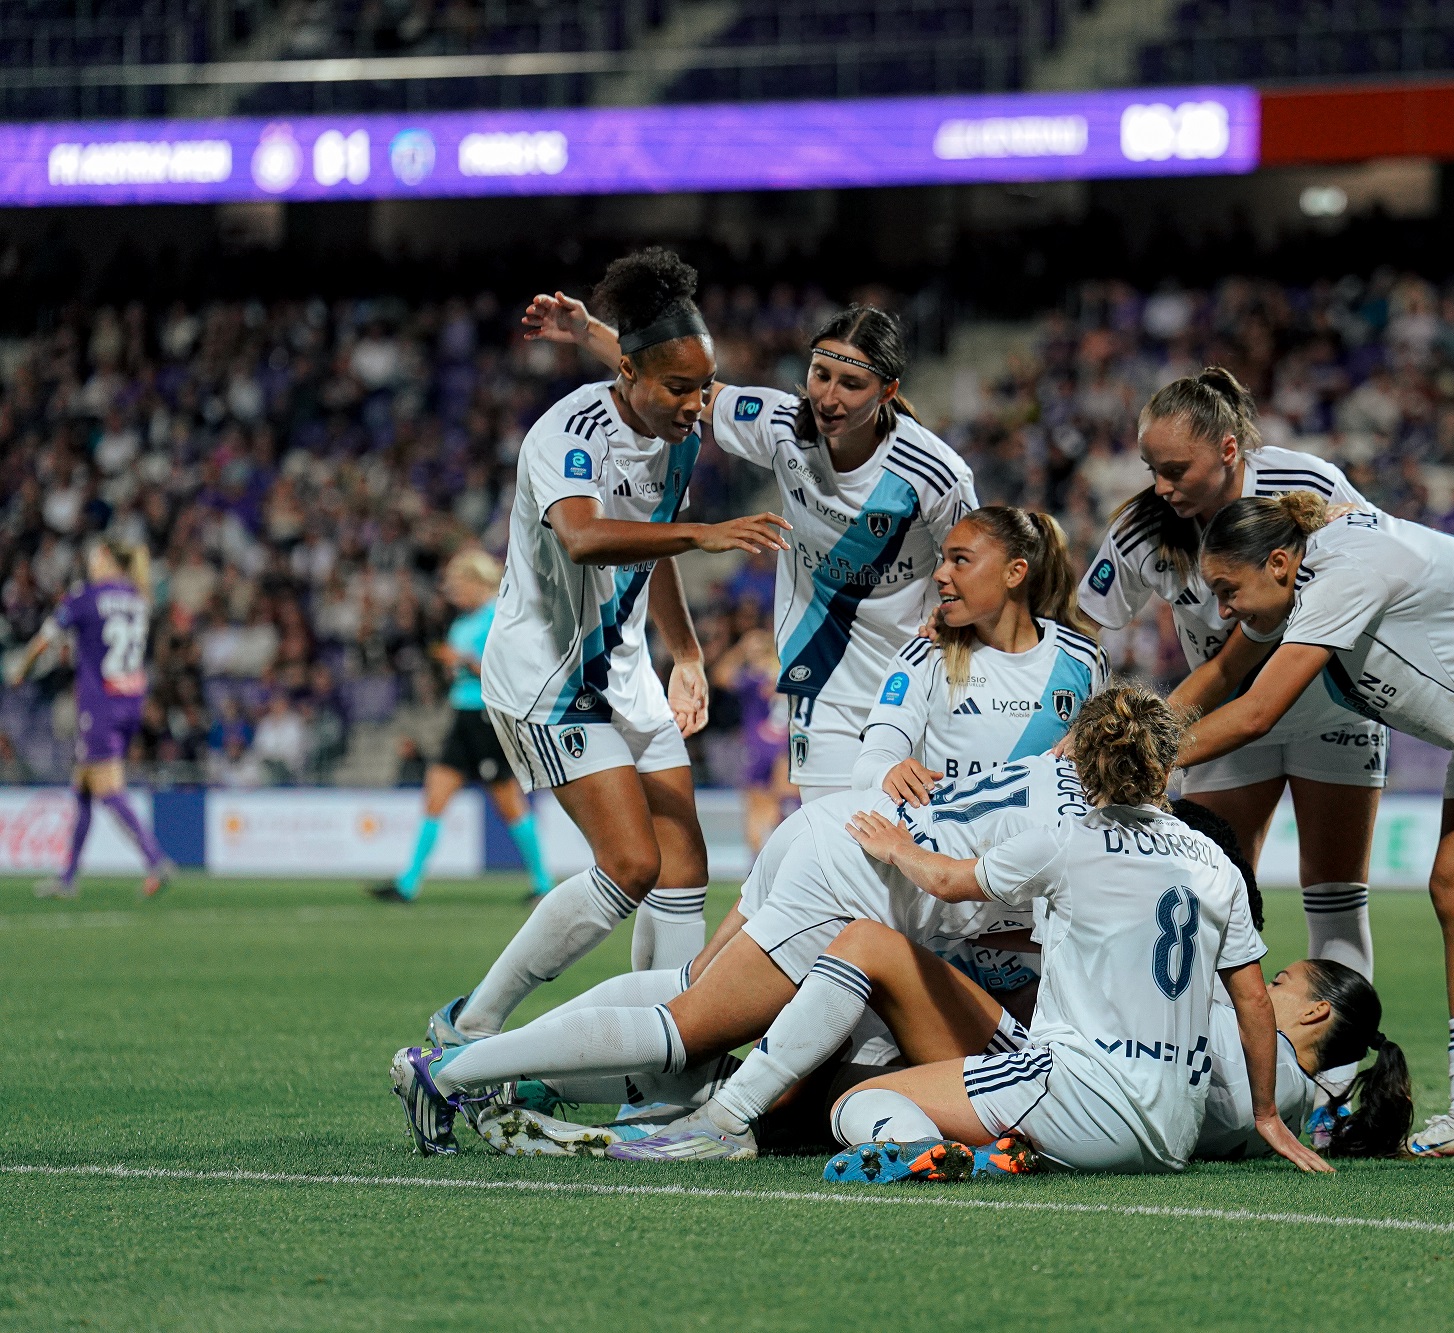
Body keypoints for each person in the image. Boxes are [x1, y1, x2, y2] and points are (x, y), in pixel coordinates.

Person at [1169, 492, 1454, 1170]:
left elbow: (1258, 710)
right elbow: (1223, 672)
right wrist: (1124, 735)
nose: (1223, 609)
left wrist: (1148, 757)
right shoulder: (1300, 580)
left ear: (1280, 563)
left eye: (1228, 590)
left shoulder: (1344, 575)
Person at [425, 247, 791, 1056]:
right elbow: (587, 537)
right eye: (681, 387)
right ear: (628, 373)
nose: (697, 404)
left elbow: (649, 550)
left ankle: (661, 1054)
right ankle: (468, 1026)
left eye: (704, 386)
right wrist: (702, 532)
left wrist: (685, 653)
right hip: (546, 678)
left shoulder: (677, 432)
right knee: (629, 864)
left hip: (623, 670)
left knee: (684, 865)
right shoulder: (569, 433)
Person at [392, 753, 1083, 1156]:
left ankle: (508, 1071)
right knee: (686, 1030)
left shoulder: (1057, 769)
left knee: (690, 987)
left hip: (832, 825)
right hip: (854, 880)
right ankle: (451, 1070)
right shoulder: (1091, 840)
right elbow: (982, 900)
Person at [817, 685, 1330, 1180]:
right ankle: (997, 1153)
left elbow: (949, 882)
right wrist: (1266, 1115)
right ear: (1168, 765)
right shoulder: (1216, 863)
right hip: (1173, 1137)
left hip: (1080, 1098)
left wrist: (898, 848)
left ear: (1082, 764)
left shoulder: (1067, 841)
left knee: (857, 1102)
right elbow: (1254, 1002)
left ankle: (925, 1150)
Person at [523, 292, 978, 805]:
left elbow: (975, 565)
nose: (828, 397)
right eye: (821, 375)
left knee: (917, 843)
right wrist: (587, 331)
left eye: (851, 384)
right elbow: (677, 384)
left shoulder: (934, 473)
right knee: (838, 836)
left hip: (914, 685)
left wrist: (948, 611)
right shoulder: (781, 425)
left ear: (887, 391)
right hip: (822, 686)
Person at [1075, 367, 1383, 984]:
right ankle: (1214, 1041)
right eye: (1152, 469)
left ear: (1229, 449)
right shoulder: (1144, 528)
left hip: (1332, 712)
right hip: (1221, 719)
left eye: (1176, 470)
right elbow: (1082, 627)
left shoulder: (1307, 485)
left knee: (1336, 899)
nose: (1161, 488)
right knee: (1208, 890)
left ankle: (1338, 1047)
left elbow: (1377, 568)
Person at [859, 504, 1106, 804]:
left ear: (1014, 572)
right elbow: (871, 762)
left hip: (1047, 835)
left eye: (960, 560)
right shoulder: (926, 656)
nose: (940, 574)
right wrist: (887, 772)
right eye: (943, 559)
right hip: (946, 834)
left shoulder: (1084, 660)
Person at [369, 548, 552, 904]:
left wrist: (466, 663)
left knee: (507, 802)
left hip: (487, 717)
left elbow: (508, 672)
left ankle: (543, 883)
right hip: (462, 715)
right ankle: (407, 884)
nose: (452, 593)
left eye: (457, 584)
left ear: (474, 581)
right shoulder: (461, 624)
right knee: (435, 795)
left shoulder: (499, 616)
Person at [7, 539, 172, 899]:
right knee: (83, 786)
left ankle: (156, 860)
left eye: (95, 556)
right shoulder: (138, 597)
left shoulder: (86, 596)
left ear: (107, 558)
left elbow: (46, 638)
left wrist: (21, 668)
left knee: (107, 789)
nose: (91, 562)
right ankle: (67, 879)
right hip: (131, 701)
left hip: (100, 705)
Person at [711, 627, 796, 858]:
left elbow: (720, 676)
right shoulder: (788, 676)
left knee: (760, 810)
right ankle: (778, 859)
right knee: (783, 807)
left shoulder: (753, 679)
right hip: (785, 750)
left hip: (761, 750)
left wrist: (740, 649)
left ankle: (760, 863)